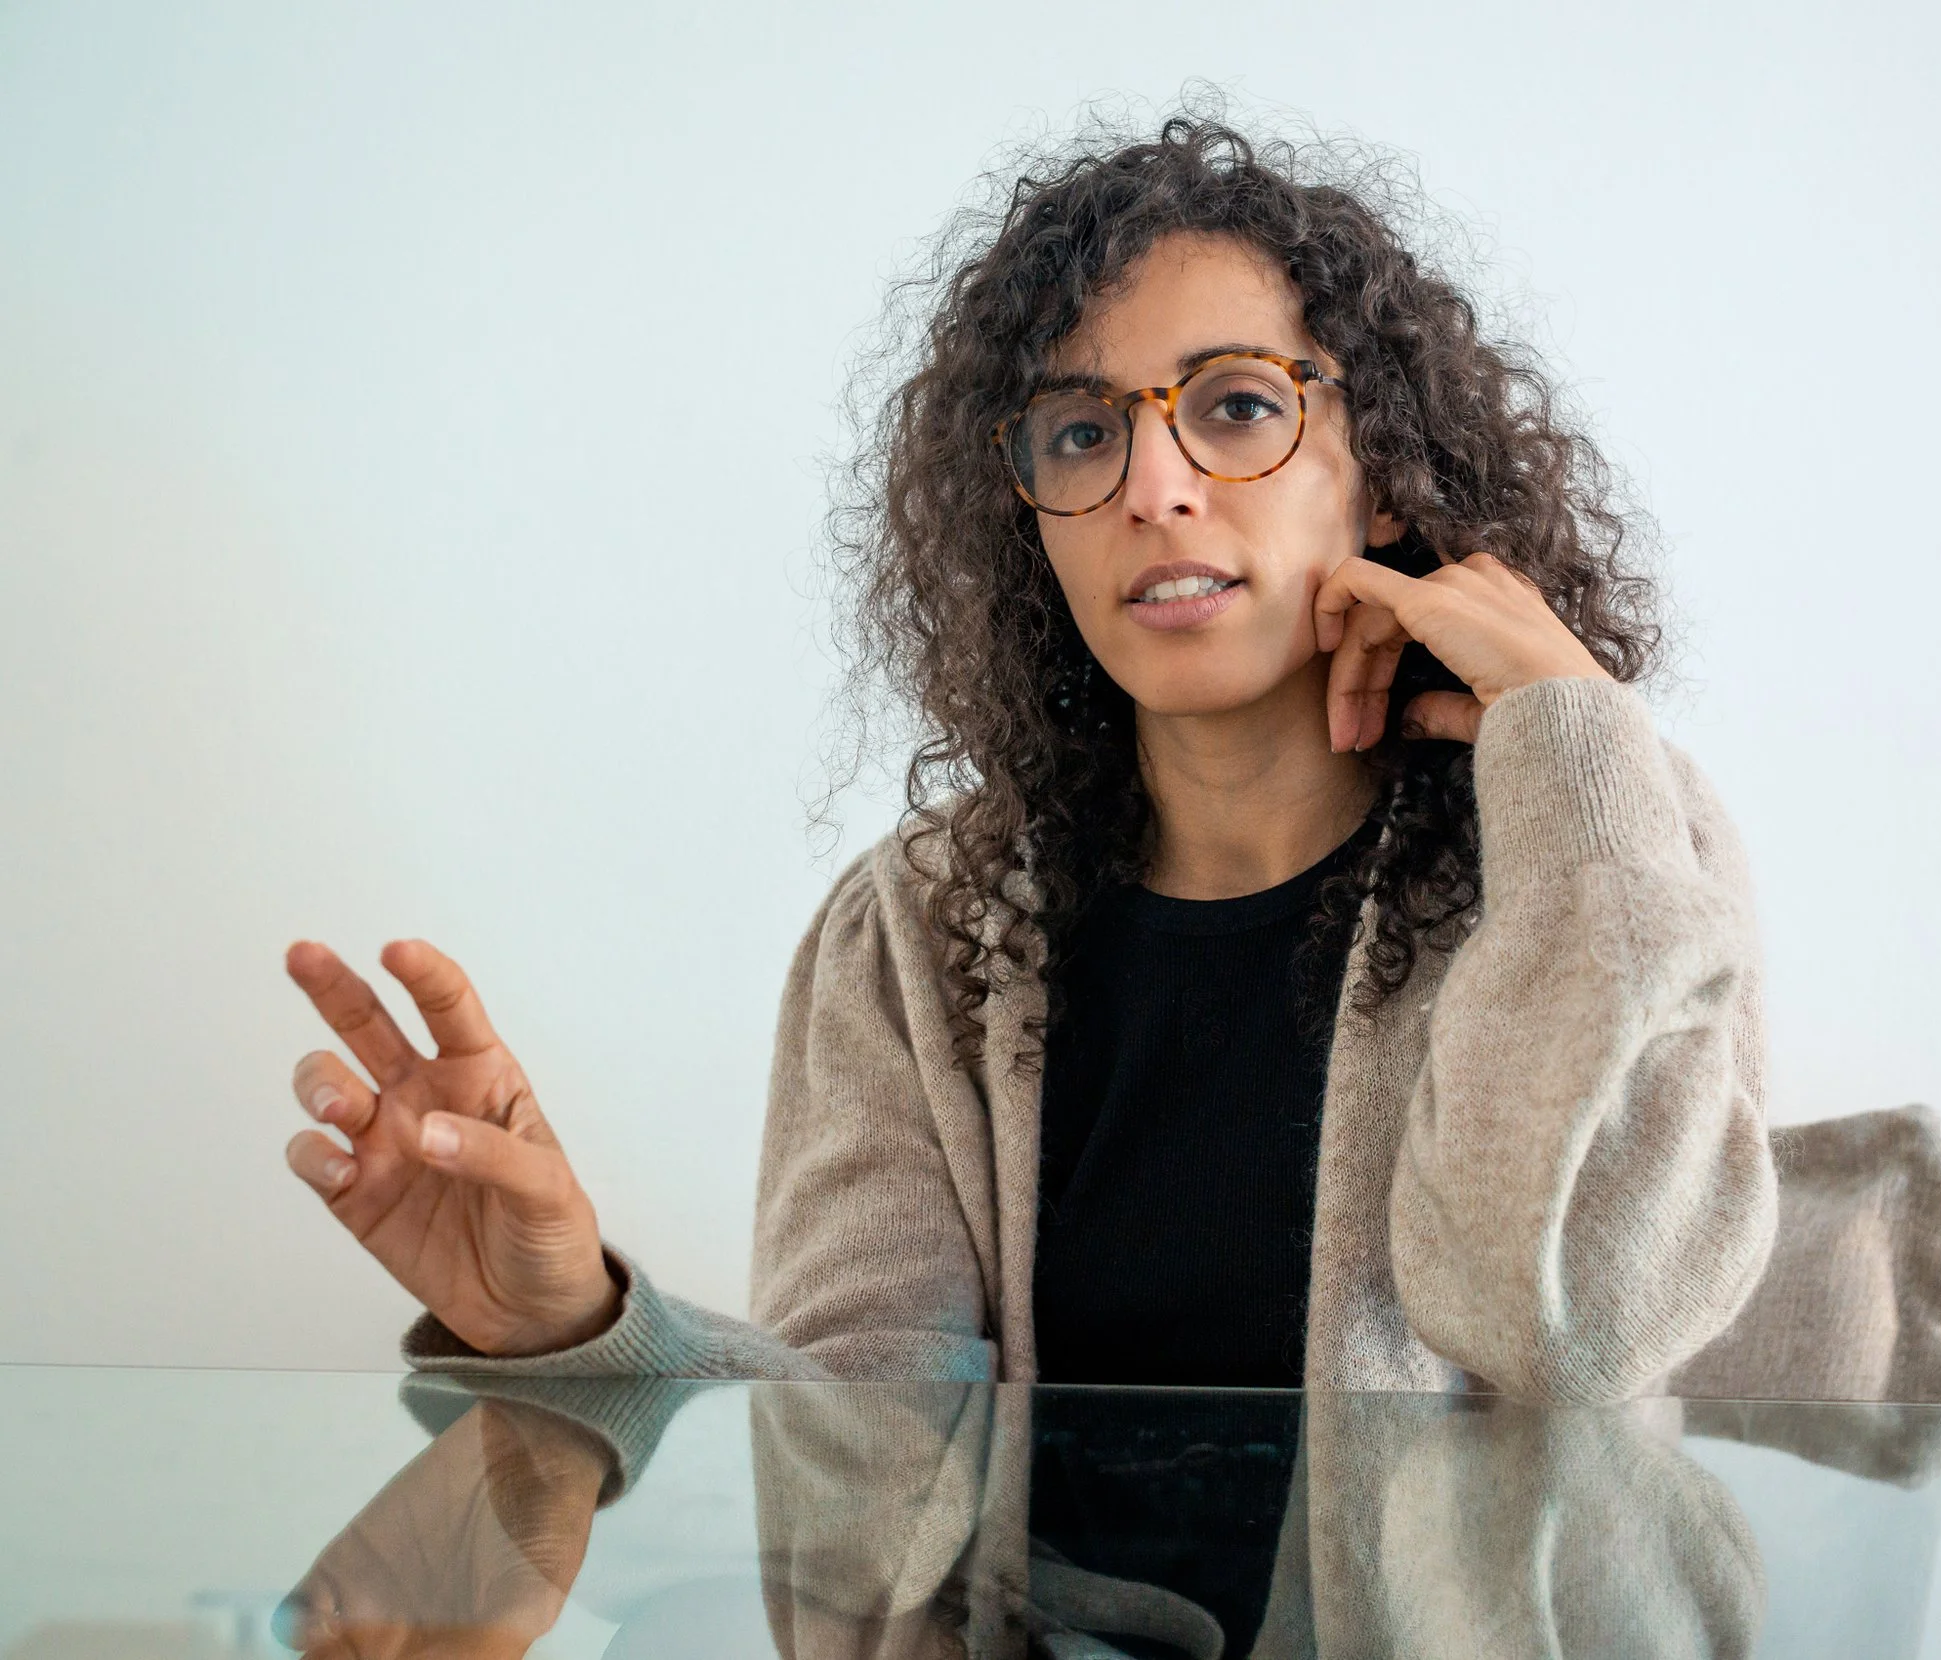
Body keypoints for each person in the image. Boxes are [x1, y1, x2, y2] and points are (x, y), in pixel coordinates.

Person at [279, 114, 1778, 1405]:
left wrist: (1575, 742)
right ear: (1032, 518)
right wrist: (581, 1327)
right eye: (1080, 434)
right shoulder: (920, 931)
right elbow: (879, 1471)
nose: (1157, 487)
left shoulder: (1600, 845)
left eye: (1239, 407)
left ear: (1380, 472)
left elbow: (1571, 1336)